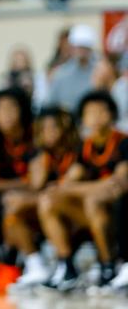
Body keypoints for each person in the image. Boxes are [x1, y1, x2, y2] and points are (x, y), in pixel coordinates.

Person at [38, 91, 128, 292]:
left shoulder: (123, 142)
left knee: (92, 201)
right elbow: (66, 183)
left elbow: (120, 183)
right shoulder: (84, 147)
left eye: (101, 111)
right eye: (90, 113)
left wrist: (78, 189)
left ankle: (108, 266)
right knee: (48, 199)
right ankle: (67, 267)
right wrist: (87, 188)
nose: (96, 117)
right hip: (91, 213)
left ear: (112, 114)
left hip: (118, 213)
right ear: (83, 119)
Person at [3, 106, 80, 292]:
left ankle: (67, 266)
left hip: (76, 212)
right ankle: (35, 264)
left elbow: (65, 190)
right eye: (43, 128)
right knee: (14, 212)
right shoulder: (42, 156)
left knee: (46, 203)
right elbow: (36, 186)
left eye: (54, 127)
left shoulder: (78, 152)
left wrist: (29, 199)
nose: (48, 133)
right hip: (48, 208)